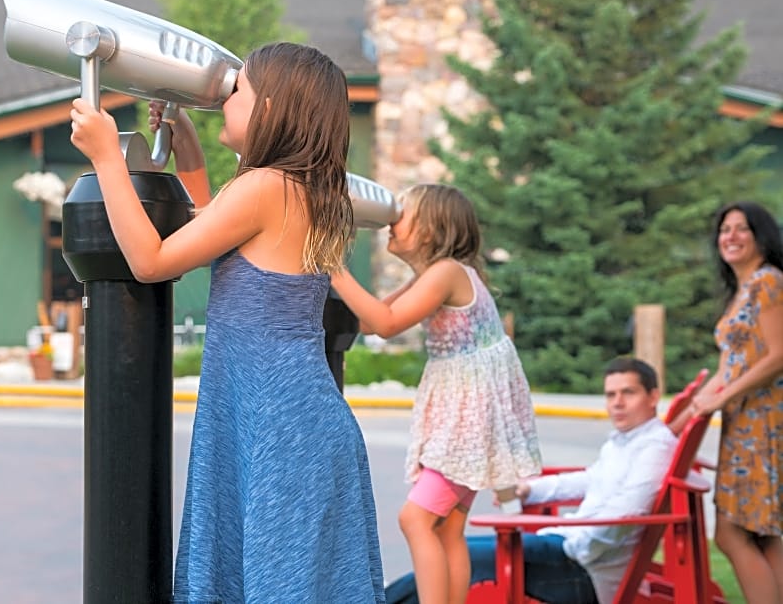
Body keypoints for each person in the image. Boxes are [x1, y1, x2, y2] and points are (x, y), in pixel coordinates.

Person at [70, 42, 386, 603]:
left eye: (237, 90)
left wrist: (105, 159)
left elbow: (152, 261)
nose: (224, 100)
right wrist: (187, 142)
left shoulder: (265, 188)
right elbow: (214, 223)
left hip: (275, 426)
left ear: (267, 113)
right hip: (294, 419)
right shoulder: (308, 189)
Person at [329, 183, 542, 604]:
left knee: (416, 519)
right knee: (445, 529)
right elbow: (371, 323)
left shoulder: (446, 272)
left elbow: (387, 324)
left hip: (467, 421)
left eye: (402, 212)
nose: (393, 219)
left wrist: (332, 265)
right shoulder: (440, 274)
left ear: (431, 228)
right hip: (468, 417)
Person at [384, 357, 678, 604]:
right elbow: (590, 480)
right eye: (611, 395)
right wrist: (530, 491)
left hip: (582, 568)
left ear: (653, 396)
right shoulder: (627, 441)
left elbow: (626, 516)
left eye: (628, 393)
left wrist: (573, 541)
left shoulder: (654, 447)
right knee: (452, 550)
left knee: (463, 555)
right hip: (566, 545)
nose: (618, 403)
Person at [669, 201, 783, 603]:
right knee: (764, 536)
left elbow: (778, 355)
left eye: (741, 229)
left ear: (762, 237)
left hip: (766, 423)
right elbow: (727, 370)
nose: (730, 237)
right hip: (744, 425)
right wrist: (679, 421)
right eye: (724, 229)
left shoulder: (768, 282)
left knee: (734, 533)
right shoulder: (742, 291)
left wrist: (721, 401)